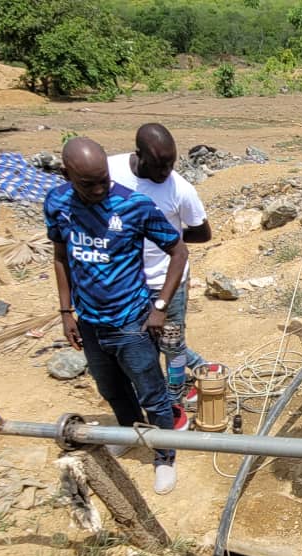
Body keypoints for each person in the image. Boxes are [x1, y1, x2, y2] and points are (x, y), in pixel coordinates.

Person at [46, 137, 189, 495]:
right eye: (87, 184)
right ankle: (128, 433)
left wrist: (159, 307)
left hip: (131, 323)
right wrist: (67, 312)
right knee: (111, 388)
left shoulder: (133, 205)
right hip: (91, 323)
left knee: (153, 394)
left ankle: (164, 456)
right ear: (67, 175)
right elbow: (61, 256)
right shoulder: (58, 202)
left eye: (103, 181)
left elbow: (179, 251)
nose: (98, 190)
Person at [107, 123, 213, 425]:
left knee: (172, 344)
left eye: (171, 164)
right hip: (126, 281)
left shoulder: (180, 189)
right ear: (138, 154)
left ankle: (174, 401)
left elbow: (202, 233)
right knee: (140, 340)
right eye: (159, 165)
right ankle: (202, 367)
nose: (165, 171)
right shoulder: (110, 171)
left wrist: (164, 239)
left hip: (168, 280)